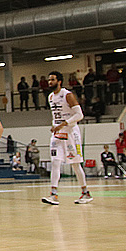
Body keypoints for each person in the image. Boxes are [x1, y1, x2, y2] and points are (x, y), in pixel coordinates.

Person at [41, 70, 92, 205]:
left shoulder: (67, 95)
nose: (50, 82)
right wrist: (54, 125)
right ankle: (54, 194)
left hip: (70, 133)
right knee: (55, 162)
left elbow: (79, 115)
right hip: (57, 134)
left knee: (75, 164)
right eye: (49, 80)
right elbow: (55, 115)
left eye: (52, 80)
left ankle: (85, 192)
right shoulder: (51, 96)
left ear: (59, 81)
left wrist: (64, 123)